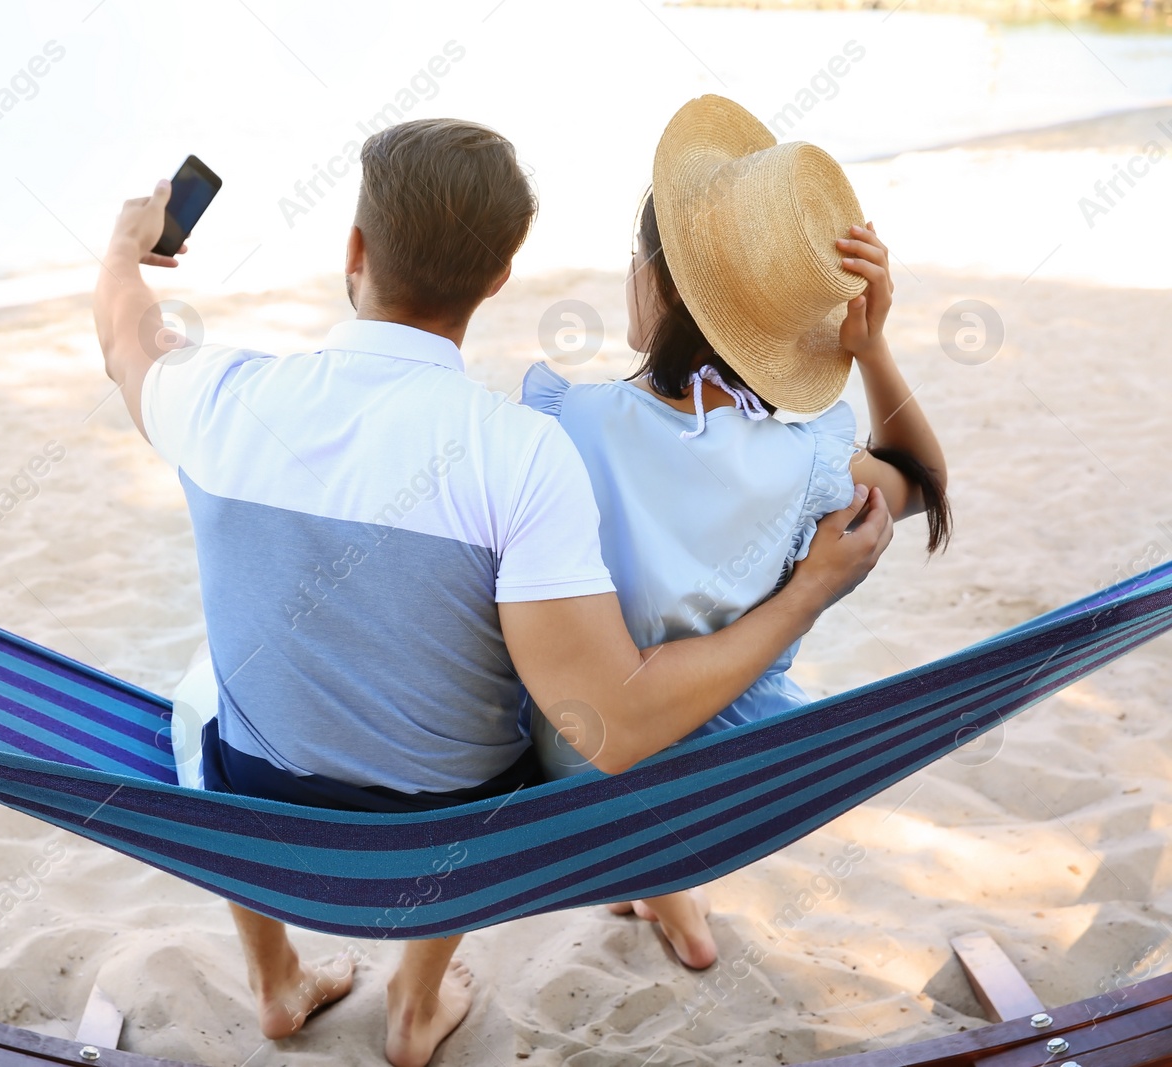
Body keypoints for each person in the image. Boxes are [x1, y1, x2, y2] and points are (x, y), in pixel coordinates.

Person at [92, 117, 892, 1067]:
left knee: (217, 669)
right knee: (490, 659)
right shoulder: (519, 454)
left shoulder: (220, 395)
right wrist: (801, 597)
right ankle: (416, 1002)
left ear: (354, 249)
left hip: (258, 811)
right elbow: (611, 723)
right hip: (453, 840)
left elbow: (121, 333)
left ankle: (275, 981)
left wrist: (127, 248)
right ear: (499, 277)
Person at [523, 94, 950, 971]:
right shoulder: (806, 468)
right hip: (717, 777)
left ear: (663, 285)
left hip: (570, 766)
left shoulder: (572, 423)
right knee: (685, 710)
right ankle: (672, 894)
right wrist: (870, 348)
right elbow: (921, 479)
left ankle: (659, 889)